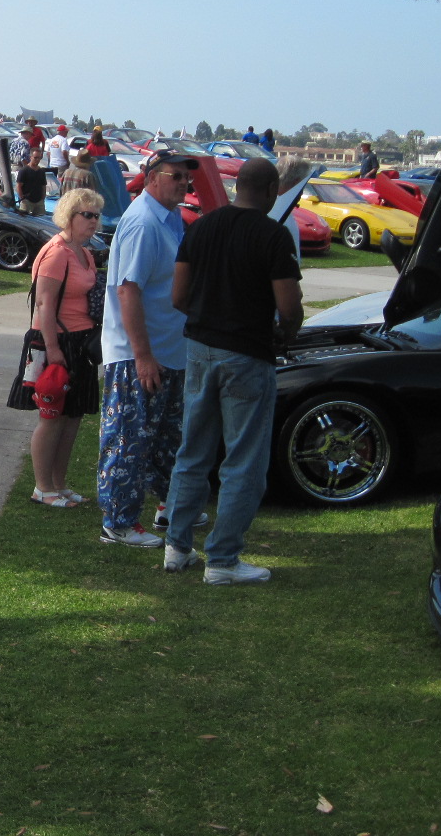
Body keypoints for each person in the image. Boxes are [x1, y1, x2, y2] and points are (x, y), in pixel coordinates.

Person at [160, 159, 302, 585]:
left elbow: (179, 296)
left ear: (236, 185)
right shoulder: (273, 235)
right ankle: (222, 560)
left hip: (200, 348)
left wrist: (209, 317)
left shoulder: (200, 228)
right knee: (243, 459)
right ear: (273, 189)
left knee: (193, 450)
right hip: (247, 354)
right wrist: (284, 334)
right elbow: (289, 307)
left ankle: (176, 546)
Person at [97, 151, 194, 548]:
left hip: (169, 351)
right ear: (152, 177)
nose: (184, 184)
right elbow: (127, 289)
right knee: (129, 438)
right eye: (177, 176)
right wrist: (142, 355)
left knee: (165, 438)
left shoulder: (170, 219)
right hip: (137, 355)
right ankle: (118, 522)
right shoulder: (142, 222)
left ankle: (168, 507)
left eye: (187, 178)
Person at [6, 187, 107, 507]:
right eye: (87, 215)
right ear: (69, 216)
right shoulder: (56, 252)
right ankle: (42, 487)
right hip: (54, 341)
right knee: (52, 417)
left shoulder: (85, 252)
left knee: (73, 415)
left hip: (81, 342)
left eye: (96, 215)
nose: (93, 221)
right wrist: (54, 350)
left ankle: (59, 484)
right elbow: (44, 307)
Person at [277, 157, 313, 265]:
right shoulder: (281, 215)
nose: (301, 193)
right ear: (297, 183)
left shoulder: (271, 206)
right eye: (303, 186)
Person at [16, 148, 48, 216]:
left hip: (39, 202)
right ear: (31, 157)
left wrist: (43, 198)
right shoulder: (24, 170)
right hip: (27, 201)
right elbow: (19, 186)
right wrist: (22, 199)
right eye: (35, 158)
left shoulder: (41, 171)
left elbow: (43, 186)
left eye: (39, 158)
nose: (37, 160)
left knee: (41, 220)